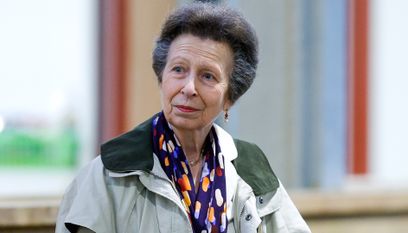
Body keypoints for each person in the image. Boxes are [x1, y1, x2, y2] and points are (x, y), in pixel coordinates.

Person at [55, 2, 311, 233]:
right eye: (178, 69)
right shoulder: (109, 173)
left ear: (230, 97)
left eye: (207, 76)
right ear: (162, 78)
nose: (189, 87)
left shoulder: (251, 170)